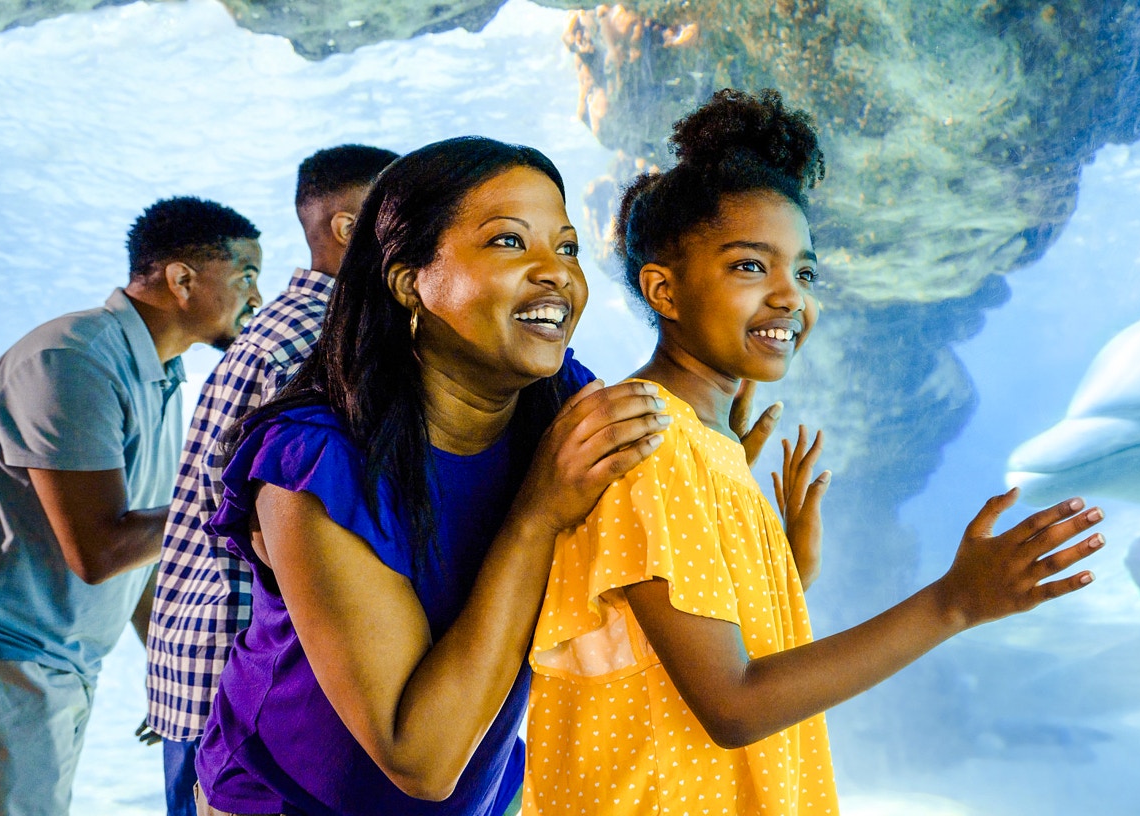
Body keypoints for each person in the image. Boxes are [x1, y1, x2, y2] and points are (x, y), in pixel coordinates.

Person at [521, 88, 1107, 815]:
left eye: (804, 273)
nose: (790, 296)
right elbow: (731, 707)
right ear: (663, 290)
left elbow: (672, 651)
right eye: (748, 266)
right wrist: (954, 603)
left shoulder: (706, 439)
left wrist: (786, 570)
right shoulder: (649, 443)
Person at [190, 135, 778, 816]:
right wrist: (537, 515)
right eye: (508, 242)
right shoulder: (314, 464)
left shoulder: (559, 402)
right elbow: (421, 759)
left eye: (566, 247)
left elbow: (668, 624)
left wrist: (749, 526)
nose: (555, 272)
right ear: (409, 279)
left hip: (487, 797)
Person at [0, 197, 264, 815]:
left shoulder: (164, 375)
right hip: (0, 666)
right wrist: (245, 500)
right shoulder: (72, 359)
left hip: (56, 670)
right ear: (182, 280)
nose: (257, 300)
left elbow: (145, 550)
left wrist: (171, 673)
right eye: (246, 277)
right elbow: (101, 549)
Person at [145, 144, 400, 816]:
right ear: (350, 229)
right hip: (244, 685)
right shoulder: (324, 339)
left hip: (204, 669)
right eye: (411, 216)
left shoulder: (281, 328)